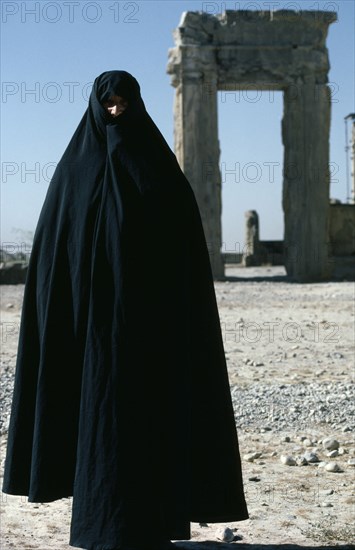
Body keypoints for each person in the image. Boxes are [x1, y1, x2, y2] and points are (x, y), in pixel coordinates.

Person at [2, 71, 249, 550]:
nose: (116, 112)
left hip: (149, 327)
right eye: (108, 104)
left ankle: (152, 524)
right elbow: (55, 258)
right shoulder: (73, 174)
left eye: (123, 103)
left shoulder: (158, 169)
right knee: (94, 419)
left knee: (147, 419)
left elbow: (183, 257)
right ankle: (100, 526)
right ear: (97, 107)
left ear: (136, 104)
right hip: (88, 331)